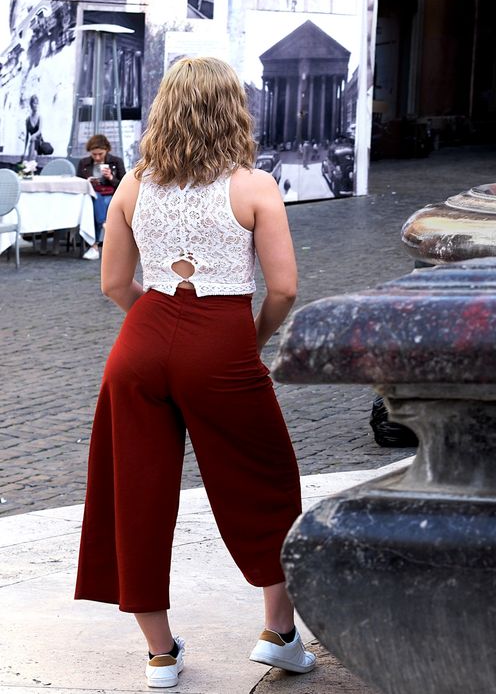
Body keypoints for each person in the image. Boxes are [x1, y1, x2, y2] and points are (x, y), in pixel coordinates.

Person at [74, 57, 315, 688]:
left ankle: (159, 656)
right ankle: (279, 634)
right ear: (232, 109)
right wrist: (247, 345)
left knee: (136, 493)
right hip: (222, 345)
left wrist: (152, 327)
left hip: (141, 342)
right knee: (266, 481)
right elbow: (284, 290)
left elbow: (113, 284)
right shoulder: (255, 187)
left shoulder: (133, 184)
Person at [76, 134, 127, 261]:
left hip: (112, 195)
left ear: (107, 150)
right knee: (94, 201)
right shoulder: (84, 163)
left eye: (100, 154)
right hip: (92, 195)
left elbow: (124, 185)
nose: (97, 157)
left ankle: (94, 247)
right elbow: (78, 182)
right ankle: (105, 224)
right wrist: (87, 181)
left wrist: (110, 178)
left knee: (100, 203)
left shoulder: (116, 161)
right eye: (94, 154)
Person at [22, 94, 41, 161]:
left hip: (39, 142)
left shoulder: (39, 117)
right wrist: (24, 151)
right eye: (34, 103)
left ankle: (30, 166)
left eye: (37, 103)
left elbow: (39, 131)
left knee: (33, 143)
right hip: (31, 142)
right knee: (31, 145)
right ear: (31, 105)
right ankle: (29, 166)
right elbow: (27, 136)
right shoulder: (27, 120)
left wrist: (34, 135)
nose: (36, 105)